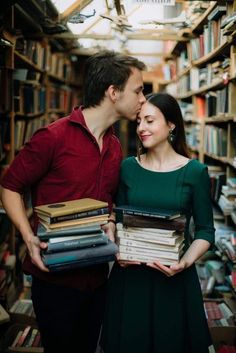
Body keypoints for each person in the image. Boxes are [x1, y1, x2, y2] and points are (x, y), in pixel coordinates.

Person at [0, 50, 146, 353]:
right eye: (138, 90)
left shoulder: (115, 146)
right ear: (113, 92)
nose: (143, 98)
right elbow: (9, 185)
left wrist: (109, 221)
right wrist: (27, 237)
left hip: (97, 277)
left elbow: (106, 201)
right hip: (55, 280)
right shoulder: (53, 137)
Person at [101, 92, 215, 353]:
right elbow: (115, 220)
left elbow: (206, 231)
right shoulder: (128, 167)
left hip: (174, 283)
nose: (141, 128)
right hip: (130, 282)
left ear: (171, 124)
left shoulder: (195, 172)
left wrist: (185, 262)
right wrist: (115, 247)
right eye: (139, 121)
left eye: (150, 121)